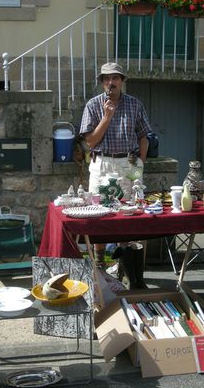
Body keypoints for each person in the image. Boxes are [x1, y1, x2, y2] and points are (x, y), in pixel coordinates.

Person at [79, 62, 152, 289]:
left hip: (128, 162)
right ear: (102, 82)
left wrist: (140, 163)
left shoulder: (134, 104)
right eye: (106, 79)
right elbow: (89, 142)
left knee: (129, 214)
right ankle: (99, 265)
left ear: (122, 80)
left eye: (115, 78)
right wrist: (106, 117)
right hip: (102, 163)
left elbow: (144, 136)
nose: (111, 83)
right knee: (98, 216)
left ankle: (126, 267)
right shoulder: (93, 105)